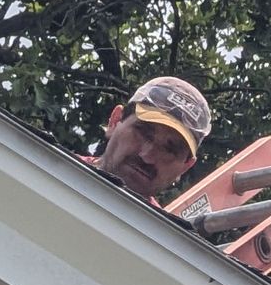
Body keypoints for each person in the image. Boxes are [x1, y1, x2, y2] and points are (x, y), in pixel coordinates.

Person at [81, 75, 213, 205]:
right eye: (143, 132)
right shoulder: (61, 170)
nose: (147, 156)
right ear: (115, 121)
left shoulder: (162, 226)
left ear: (185, 168)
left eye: (169, 150)